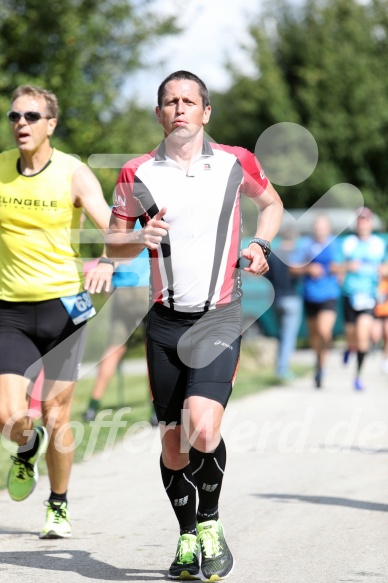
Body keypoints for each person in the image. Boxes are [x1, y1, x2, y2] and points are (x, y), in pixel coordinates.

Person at [105, 70, 283, 581]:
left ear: (205, 112)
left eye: (188, 101)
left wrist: (260, 244)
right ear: (159, 114)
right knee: (173, 443)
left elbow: (270, 205)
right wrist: (138, 240)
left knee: (203, 425)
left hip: (220, 311)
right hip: (163, 321)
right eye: (169, 101)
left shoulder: (236, 162)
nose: (179, 108)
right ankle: (186, 536)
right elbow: (112, 244)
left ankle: (209, 522)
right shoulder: (136, 173)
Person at [0, 85, 114, 539]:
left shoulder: (74, 173)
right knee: (10, 417)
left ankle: (59, 504)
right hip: (9, 310)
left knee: (56, 414)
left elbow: (115, 229)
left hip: (64, 310)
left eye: (31, 116)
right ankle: (28, 448)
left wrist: (106, 260)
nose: (21, 123)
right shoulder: (0, 171)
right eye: (14, 116)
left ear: (50, 124)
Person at [82, 248, 150, 422]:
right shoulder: (148, 220)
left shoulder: (117, 222)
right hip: (146, 286)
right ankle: (156, 411)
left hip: (120, 290)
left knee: (114, 348)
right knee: (155, 349)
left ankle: (92, 407)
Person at [333, 207, 386, 390]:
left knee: (364, 336)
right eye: (360, 220)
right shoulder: (347, 243)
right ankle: (349, 347)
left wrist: (384, 271)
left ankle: (358, 376)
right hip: (349, 295)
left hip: (369, 296)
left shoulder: (379, 244)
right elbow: (334, 268)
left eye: (366, 220)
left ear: (371, 223)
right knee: (352, 337)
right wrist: (347, 266)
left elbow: (385, 267)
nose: (363, 223)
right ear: (356, 224)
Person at [290, 215, 341, 388]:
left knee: (323, 331)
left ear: (328, 229)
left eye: (323, 227)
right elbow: (293, 268)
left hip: (329, 294)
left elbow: (343, 265)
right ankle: (318, 362)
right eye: (317, 227)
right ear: (314, 228)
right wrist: (308, 268)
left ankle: (322, 366)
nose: (320, 230)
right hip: (310, 295)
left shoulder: (335, 243)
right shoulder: (305, 244)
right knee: (314, 336)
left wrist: (339, 270)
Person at [264, 227, 303, 381]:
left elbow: (266, 276)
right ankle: (283, 370)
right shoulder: (296, 255)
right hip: (292, 298)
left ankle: (279, 367)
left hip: (276, 299)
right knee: (288, 336)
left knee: (281, 335)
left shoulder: (273, 255)